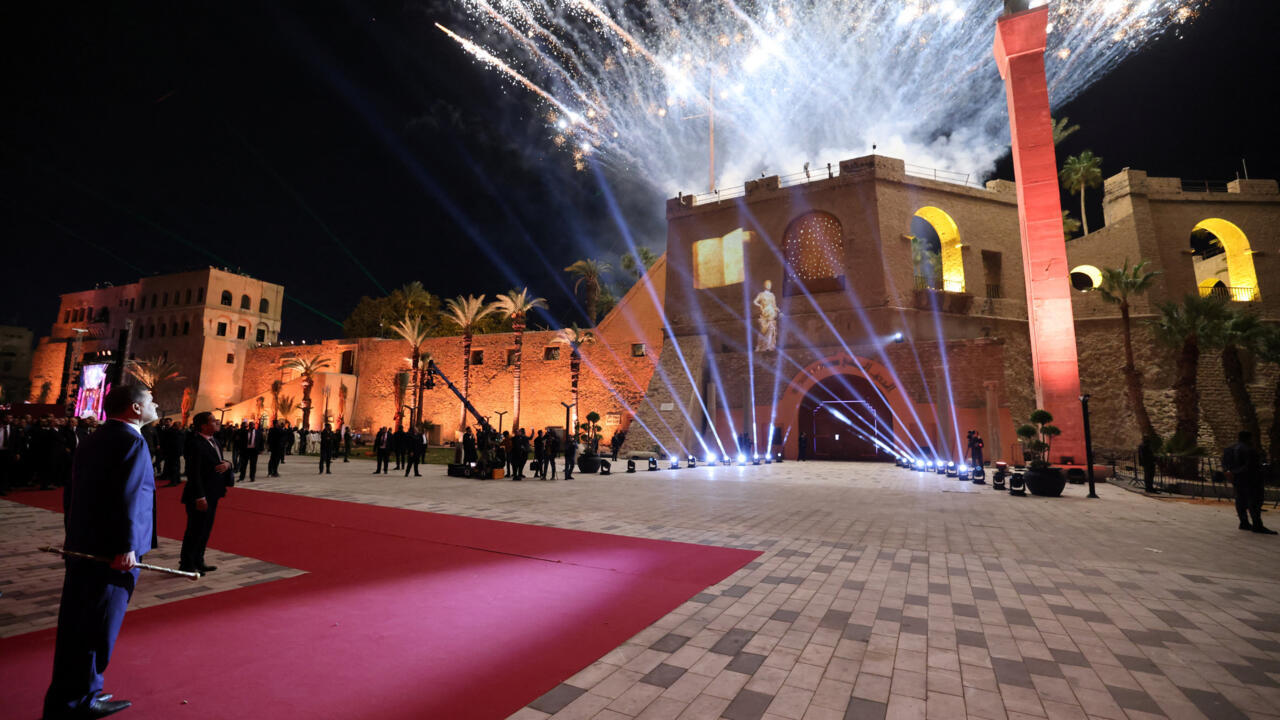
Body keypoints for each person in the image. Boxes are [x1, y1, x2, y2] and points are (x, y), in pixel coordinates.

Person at [43, 384, 158, 720]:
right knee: (98, 626)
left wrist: (74, 537)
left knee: (77, 624)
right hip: (112, 554)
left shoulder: (94, 438)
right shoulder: (132, 441)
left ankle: (72, 693)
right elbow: (128, 496)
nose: (155, 405)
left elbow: (73, 493)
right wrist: (126, 546)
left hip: (85, 545)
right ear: (135, 408)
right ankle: (81, 699)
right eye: (151, 400)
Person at [181, 412, 234, 575]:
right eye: (213, 420)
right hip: (200, 494)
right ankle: (187, 563)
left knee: (205, 529)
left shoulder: (215, 441)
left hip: (213, 492)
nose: (217, 422)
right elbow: (194, 472)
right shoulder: (195, 444)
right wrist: (200, 496)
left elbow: (220, 462)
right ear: (203, 426)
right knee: (195, 529)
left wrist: (228, 464)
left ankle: (199, 559)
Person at [1223, 431, 1276, 534]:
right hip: (1251, 479)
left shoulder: (1229, 449)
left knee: (1240, 500)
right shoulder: (1250, 450)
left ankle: (1244, 522)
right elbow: (1251, 466)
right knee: (1254, 502)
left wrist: (1231, 473)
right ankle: (1257, 524)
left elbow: (1225, 464)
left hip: (1237, 479)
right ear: (1249, 438)